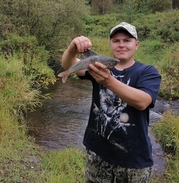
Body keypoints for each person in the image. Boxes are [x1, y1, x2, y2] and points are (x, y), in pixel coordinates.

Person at [60, 22, 161, 183]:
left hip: (133, 160)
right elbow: (68, 65)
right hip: (98, 154)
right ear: (110, 44)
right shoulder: (98, 67)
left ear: (137, 44)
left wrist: (109, 81)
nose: (121, 44)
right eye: (116, 40)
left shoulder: (147, 72)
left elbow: (142, 102)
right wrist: (72, 49)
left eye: (127, 40)